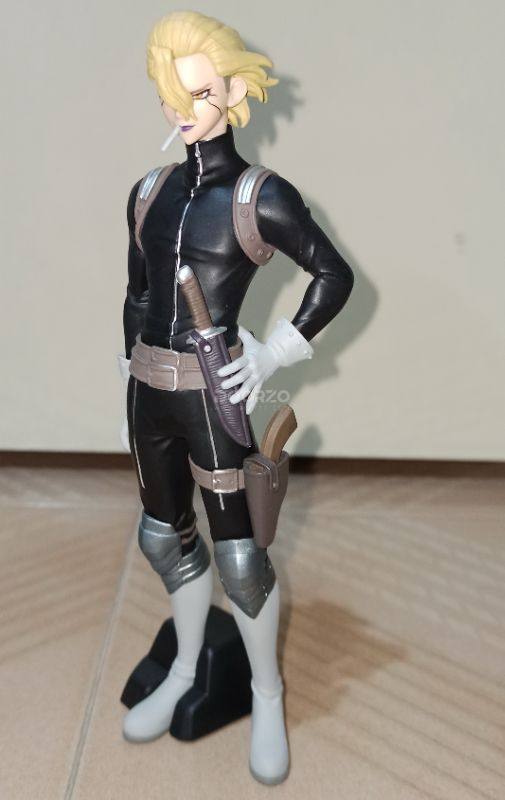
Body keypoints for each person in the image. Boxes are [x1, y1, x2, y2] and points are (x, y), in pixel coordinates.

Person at [117, 10, 354, 785]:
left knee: (242, 560)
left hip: (211, 400)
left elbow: (333, 274)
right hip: (147, 396)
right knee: (163, 537)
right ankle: (186, 669)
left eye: (199, 91)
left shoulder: (259, 196)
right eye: (170, 93)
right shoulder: (149, 192)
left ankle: (266, 693)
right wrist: (128, 365)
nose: (183, 108)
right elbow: (137, 292)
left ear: (233, 91)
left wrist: (274, 350)